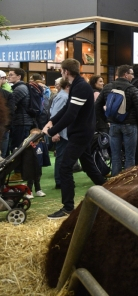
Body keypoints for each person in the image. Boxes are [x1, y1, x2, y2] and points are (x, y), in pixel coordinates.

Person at [43, 58, 107, 219]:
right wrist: (51, 122)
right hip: (81, 132)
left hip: (80, 133)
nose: (60, 73)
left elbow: (71, 114)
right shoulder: (78, 85)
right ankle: (111, 192)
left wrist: (52, 132)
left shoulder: (80, 87)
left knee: (65, 167)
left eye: (61, 70)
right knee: (88, 165)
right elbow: (66, 109)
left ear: (66, 72)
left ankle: (68, 207)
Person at [95, 65, 138, 176]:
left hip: (113, 125)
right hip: (130, 125)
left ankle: (115, 182)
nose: (132, 76)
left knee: (115, 155)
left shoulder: (108, 87)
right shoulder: (132, 89)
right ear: (125, 74)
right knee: (130, 156)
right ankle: (127, 182)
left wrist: (106, 119)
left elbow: (97, 106)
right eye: (131, 74)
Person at [50, 79, 70, 189]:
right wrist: (55, 132)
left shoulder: (63, 96)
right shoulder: (63, 97)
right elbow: (55, 115)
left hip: (63, 131)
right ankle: (60, 181)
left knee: (63, 157)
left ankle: (61, 180)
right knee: (62, 157)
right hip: (62, 132)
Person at [21, 128, 50, 199]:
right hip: (30, 165)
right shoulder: (27, 144)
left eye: (37, 135)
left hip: (38, 164)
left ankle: (38, 190)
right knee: (30, 179)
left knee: (38, 178)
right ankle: (29, 191)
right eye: (33, 135)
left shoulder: (42, 143)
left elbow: (45, 154)